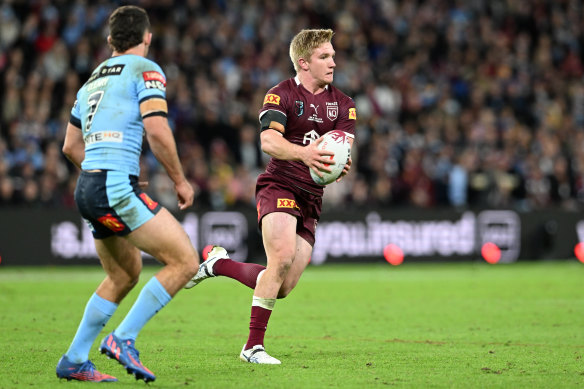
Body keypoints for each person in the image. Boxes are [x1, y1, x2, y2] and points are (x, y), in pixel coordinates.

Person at [185, 28, 356, 364]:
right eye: (325, 56)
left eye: (333, 55)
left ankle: (218, 263)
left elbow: (340, 150)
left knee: (282, 285)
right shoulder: (280, 95)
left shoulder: (345, 105)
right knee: (279, 260)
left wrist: (338, 166)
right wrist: (306, 155)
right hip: (279, 185)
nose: (333, 62)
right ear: (304, 63)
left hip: (312, 198)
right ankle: (252, 348)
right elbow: (268, 142)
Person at [56, 6, 199, 382]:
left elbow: (70, 147)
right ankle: (123, 338)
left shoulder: (91, 82)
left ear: (110, 41)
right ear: (147, 37)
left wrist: (102, 169)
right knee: (184, 261)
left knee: (125, 274)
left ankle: (74, 359)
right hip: (113, 185)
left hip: (87, 186)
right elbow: (156, 129)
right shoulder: (146, 69)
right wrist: (180, 181)